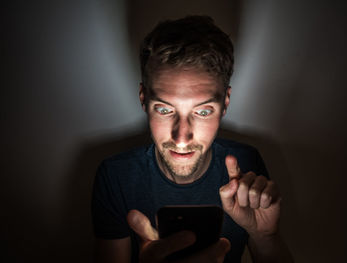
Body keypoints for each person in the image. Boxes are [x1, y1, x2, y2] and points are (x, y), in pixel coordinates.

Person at [92, 15, 293, 263]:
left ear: (225, 104)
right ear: (143, 99)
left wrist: (265, 237)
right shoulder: (116, 176)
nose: (182, 137)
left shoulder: (246, 163)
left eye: (202, 111)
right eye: (165, 110)